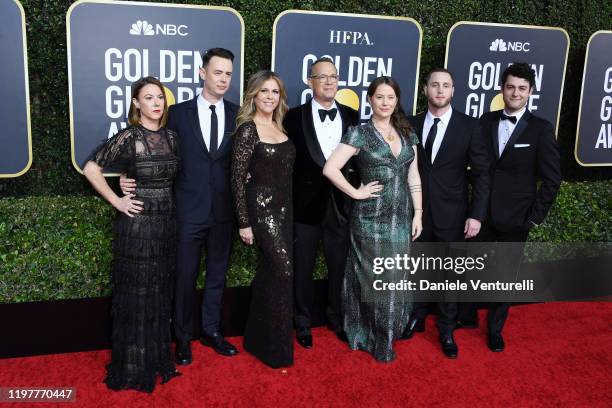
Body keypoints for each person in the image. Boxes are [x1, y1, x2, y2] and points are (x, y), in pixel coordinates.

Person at [120, 48, 239, 365]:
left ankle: (211, 332)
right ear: (203, 73)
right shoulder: (177, 113)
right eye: (218, 72)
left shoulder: (239, 115)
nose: (223, 79)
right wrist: (125, 176)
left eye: (228, 73)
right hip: (187, 211)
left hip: (224, 213)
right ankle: (183, 338)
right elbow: (151, 149)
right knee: (185, 277)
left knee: (217, 276)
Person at [83, 76, 180, 392]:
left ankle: (154, 358)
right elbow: (91, 168)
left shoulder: (172, 137)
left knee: (158, 291)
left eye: (159, 97)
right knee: (137, 293)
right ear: (136, 103)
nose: (156, 103)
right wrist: (116, 198)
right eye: (148, 97)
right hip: (137, 227)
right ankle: (133, 364)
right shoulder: (129, 136)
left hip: (165, 225)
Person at [458, 62, 561, 352]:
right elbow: (476, 168)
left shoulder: (541, 129)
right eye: (510, 86)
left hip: (517, 218)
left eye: (522, 88)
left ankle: (494, 329)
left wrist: (534, 218)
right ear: (502, 89)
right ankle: (465, 318)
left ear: (530, 93)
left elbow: (552, 179)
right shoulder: (485, 121)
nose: (515, 92)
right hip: (481, 213)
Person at [323, 76, 423, 362]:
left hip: (401, 218)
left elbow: (413, 175)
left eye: (390, 97)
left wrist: (419, 212)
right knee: (372, 279)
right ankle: (370, 336)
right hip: (370, 219)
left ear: (396, 101)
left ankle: (389, 333)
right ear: (370, 100)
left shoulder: (407, 133)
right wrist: (355, 192)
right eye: (379, 97)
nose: (385, 102)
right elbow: (331, 168)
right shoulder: (360, 133)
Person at [403, 68, 490, 359]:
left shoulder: (469, 126)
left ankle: (446, 328)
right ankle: (414, 317)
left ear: (453, 91)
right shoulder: (410, 123)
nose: (440, 90)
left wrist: (476, 215)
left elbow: (481, 175)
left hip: (453, 213)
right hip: (415, 211)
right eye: (435, 85)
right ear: (425, 89)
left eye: (446, 86)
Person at [283, 57, 360, 348]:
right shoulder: (292, 117)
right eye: (322, 77)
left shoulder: (353, 116)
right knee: (302, 267)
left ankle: (337, 319)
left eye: (333, 77)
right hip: (304, 205)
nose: (329, 82)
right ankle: (302, 322)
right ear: (310, 81)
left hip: (341, 205)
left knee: (339, 265)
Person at [231, 70, 295, 368]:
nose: (270, 97)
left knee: (272, 273)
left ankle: (259, 339)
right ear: (253, 95)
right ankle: (273, 347)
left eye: (275, 92)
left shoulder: (281, 128)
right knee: (282, 271)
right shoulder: (247, 130)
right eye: (264, 91)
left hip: (285, 210)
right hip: (261, 210)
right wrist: (244, 222)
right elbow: (236, 179)